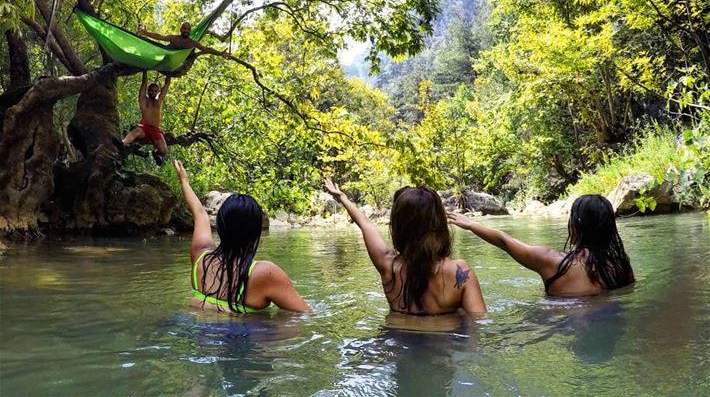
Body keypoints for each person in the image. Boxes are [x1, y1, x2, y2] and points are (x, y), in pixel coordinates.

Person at [323, 177, 486, 315]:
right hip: (443, 346)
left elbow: (366, 225)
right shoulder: (459, 271)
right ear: (439, 224)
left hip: (394, 343)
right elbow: (478, 324)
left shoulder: (388, 265)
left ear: (398, 227)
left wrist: (342, 197)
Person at [174, 160, 310, 313]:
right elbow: (305, 315)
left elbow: (199, 214)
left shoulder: (201, 258)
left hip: (202, 333)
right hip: (244, 335)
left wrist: (184, 180)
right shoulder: (265, 273)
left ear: (219, 226)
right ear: (256, 231)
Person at [448, 194, 635, 297]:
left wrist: (471, 225)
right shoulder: (621, 267)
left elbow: (505, 241)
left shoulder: (554, 262)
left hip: (558, 321)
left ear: (575, 226)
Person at [122, 71, 171, 166]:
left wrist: (169, 73)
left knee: (164, 151)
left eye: (155, 91)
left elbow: (167, 84)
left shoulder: (159, 101)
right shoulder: (143, 100)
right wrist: (145, 71)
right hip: (144, 128)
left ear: (158, 92)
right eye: (151, 90)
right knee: (137, 131)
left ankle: (155, 153)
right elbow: (144, 82)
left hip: (155, 130)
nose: (153, 92)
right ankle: (123, 143)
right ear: (148, 91)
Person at [138, 21, 229, 57]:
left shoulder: (192, 43)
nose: (186, 30)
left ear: (190, 31)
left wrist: (220, 53)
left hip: (180, 60)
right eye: (184, 28)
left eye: (188, 29)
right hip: (168, 54)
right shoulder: (174, 38)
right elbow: (160, 37)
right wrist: (146, 33)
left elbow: (206, 49)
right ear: (181, 29)